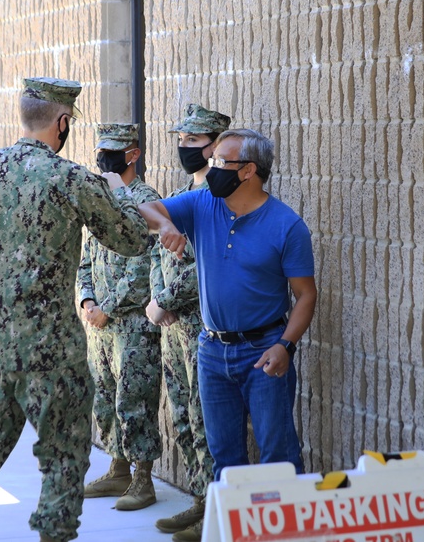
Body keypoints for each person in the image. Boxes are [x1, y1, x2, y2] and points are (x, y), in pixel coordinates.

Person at [0, 77, 151, 542]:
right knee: (63, 453)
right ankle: (53, 536)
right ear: (62, 123)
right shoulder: (72, 178)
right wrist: (132, 201)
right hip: (50, 352)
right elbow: (132, 239)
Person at [137, 128, 318, 541]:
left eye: (221, 162)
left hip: (264, 352)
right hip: (212, 351)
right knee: (225, 458)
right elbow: (144, 207)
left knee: (277, 454)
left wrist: (285, 345)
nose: (212, 167)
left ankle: (291, 534)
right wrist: (166, 224)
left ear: (249, 170)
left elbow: (306, 296)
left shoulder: (287, 226)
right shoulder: (203, 203)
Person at [147, 104, 230, 540]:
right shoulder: (180, 195)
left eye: (193, 141)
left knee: (207, 421)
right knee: (184, 417)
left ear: (216, 145)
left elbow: (208, 265)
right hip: (172, 328)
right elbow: (161, 252)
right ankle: (200, 501)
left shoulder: (219, 199)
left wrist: (163, 300)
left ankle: (215, 509)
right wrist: (157, 302)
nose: (184, 147)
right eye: (181, 140)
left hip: (201, 325)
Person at [77, 123, 162, 511]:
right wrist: (88, 302)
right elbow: (85, 261)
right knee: (106, 398)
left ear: (133, 154)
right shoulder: (99, 199)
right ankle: (118, 469)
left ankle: (142, 480)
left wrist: (108, 307)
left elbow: (144, 267)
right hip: (100, 326)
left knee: (135, 399)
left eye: (112, 151)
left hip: (132, 325)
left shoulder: (144, 200)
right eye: (101, 150)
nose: (103, 158)